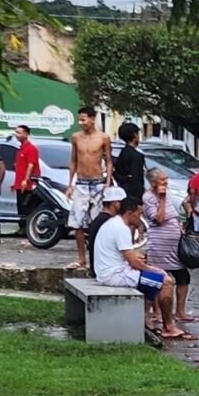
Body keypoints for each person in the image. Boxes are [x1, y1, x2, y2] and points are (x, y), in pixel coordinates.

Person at [92, 196, 194, 340]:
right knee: (166, 281)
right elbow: (134, 263)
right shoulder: (120, 228)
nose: (141, 218)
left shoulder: (114, 223)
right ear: (129, 213)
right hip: (114, 275)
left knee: (151, 281)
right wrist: (156, 270)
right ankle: (168, 327)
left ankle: (145, 319)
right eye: (139, 214)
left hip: (109, 271)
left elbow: (128, 255)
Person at [143, 168, 199, 325]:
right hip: (159, 243)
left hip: (173, 243)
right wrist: (161, 198)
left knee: (183, 277)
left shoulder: (166, 195)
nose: (165, 182)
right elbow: (159, 219)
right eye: (162, 180)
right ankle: (158, 312)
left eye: (166, 179)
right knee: (160, 277)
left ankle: (180, 311)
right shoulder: (149, 197)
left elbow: (172, 214)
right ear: (154, 183)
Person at [66, 106, 113, 270]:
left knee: (97, 223)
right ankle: (81, 258)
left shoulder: (103, 138)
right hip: (81, 183)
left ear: (92, 119)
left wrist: (108, 182)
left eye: (84, 119)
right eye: (80, 119)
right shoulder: (76, 137)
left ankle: (97, 259)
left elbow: (108, 160)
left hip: (98, 182)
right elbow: (73, 160)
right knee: (77, 222)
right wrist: (70, 184)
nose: (81, 123)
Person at [86, 186, 127, 277]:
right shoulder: (110, 223)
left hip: (99, 269)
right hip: (108, 272)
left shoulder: (98, 220)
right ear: (115, 204)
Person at [11, 124, 38, 232]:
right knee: (20, 207)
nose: (16, 134)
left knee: (27, 207)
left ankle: (28, 229)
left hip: (27, 185)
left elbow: (31, 165)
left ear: (26, 134)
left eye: (19, 132)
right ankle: (22, 228)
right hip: (19, 184)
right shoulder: (20, 149)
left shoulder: (31, 148)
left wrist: (25, 180)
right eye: (15, 132)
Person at [113, 122, 146, 200]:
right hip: (133, 195)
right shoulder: (136, 156)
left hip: (122, 190)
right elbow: (136, 178)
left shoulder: (122, 153)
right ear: (135, 135)